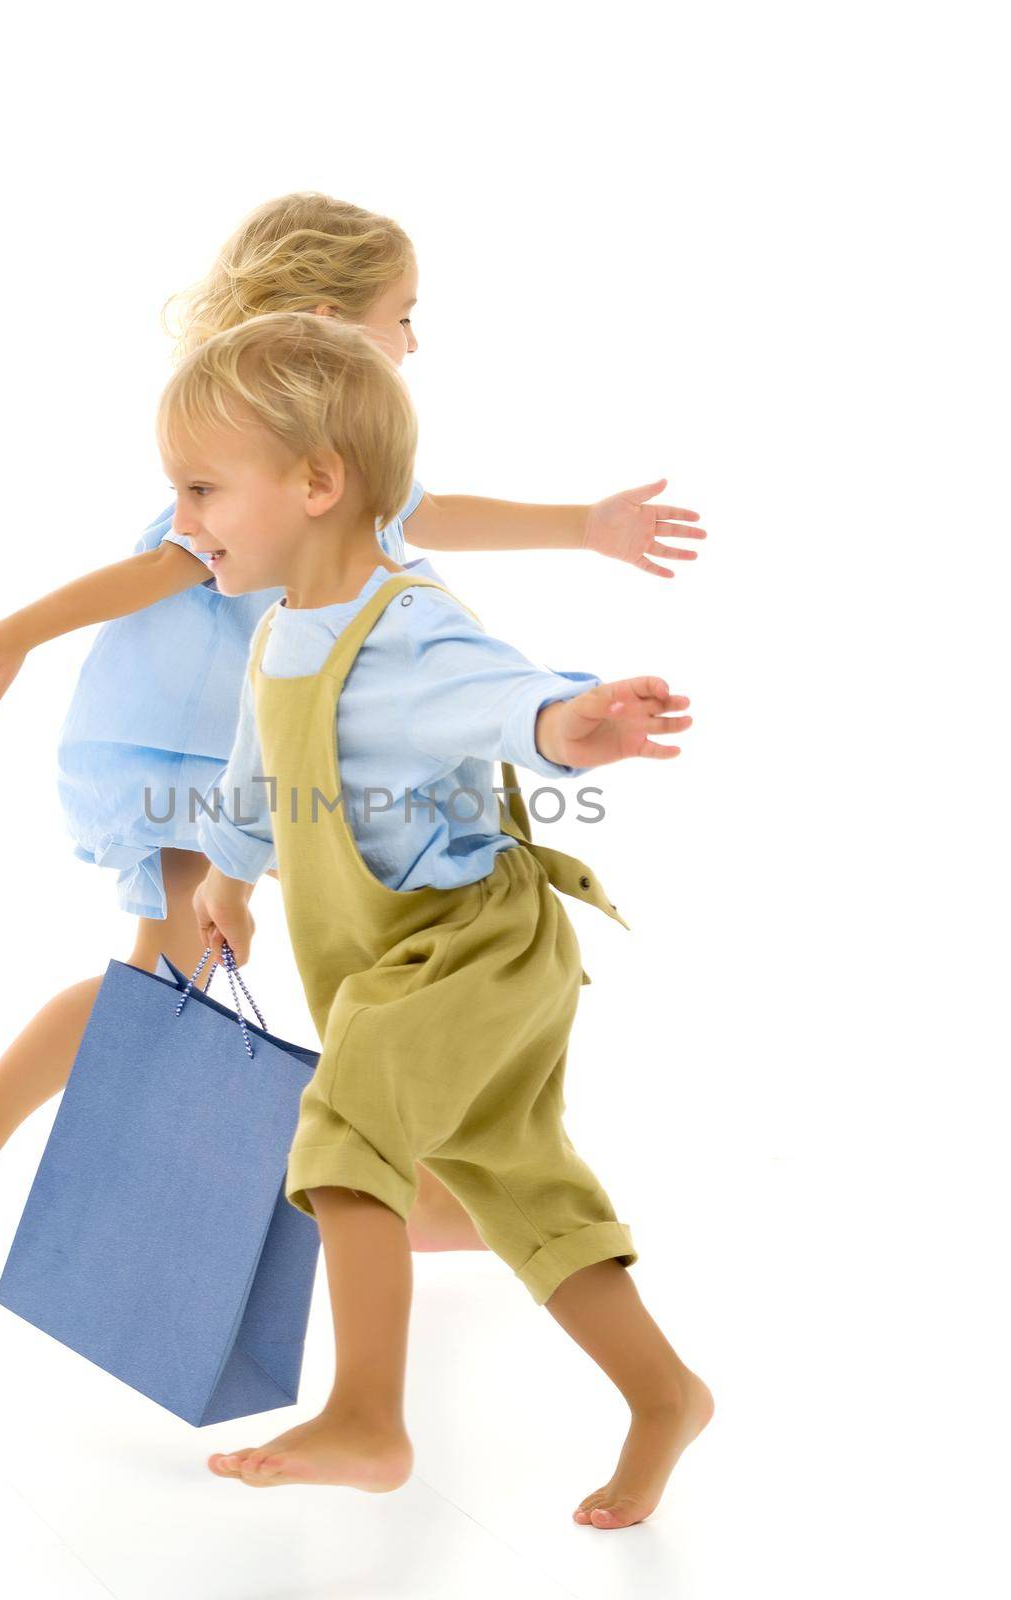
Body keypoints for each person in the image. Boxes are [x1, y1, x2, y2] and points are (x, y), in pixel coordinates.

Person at [0, 192, 704, 1275]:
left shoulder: (324, 466)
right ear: (326, 322)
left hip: (236, 746)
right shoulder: (261, 461)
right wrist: (16, 630)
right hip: (191, 746)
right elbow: (152, 568)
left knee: (277, 965)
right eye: (401, 314)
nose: (412, 342)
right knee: (200, 974)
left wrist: (581, 527)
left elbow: (427, 510)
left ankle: (399, 1182)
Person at [169, 311, 712, 1529]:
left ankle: (368, 1410)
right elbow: (261, 779)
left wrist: (570, 725)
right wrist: (228, 879)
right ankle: (663, 1390)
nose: (180, 520)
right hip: (397, 955)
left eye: (202, 487)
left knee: (347, 1112)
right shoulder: (279, 636)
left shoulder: (405, 625)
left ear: (317, 482)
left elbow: (506, 692)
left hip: (471, 949)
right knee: (518, 1183)